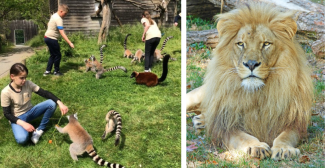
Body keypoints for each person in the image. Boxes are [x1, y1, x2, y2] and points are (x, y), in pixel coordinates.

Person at [1, 63, 69, 145]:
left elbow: (44, 93)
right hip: (17, 118)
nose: (24, 80)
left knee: (52, 103)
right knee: (22, 140)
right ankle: (24, 128)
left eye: (25, 77)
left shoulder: (28, 84)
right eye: (21, 78)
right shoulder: (5, 92)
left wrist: (59, 103)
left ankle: (40, 130)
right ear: (12, 77)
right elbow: (7, 114)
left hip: (30, 111)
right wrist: (23, 124)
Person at [43, 4, 74, 76]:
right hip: (52, 39)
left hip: (46, 37)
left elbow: (48, 24)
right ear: (61, 11)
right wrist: (70, 43)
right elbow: (62, 33)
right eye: (65, 13)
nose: (65, 15)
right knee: (57, 55)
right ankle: (56, 71)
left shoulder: (54, 15)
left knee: (53, 55)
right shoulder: (59, 19)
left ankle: (47, 71)